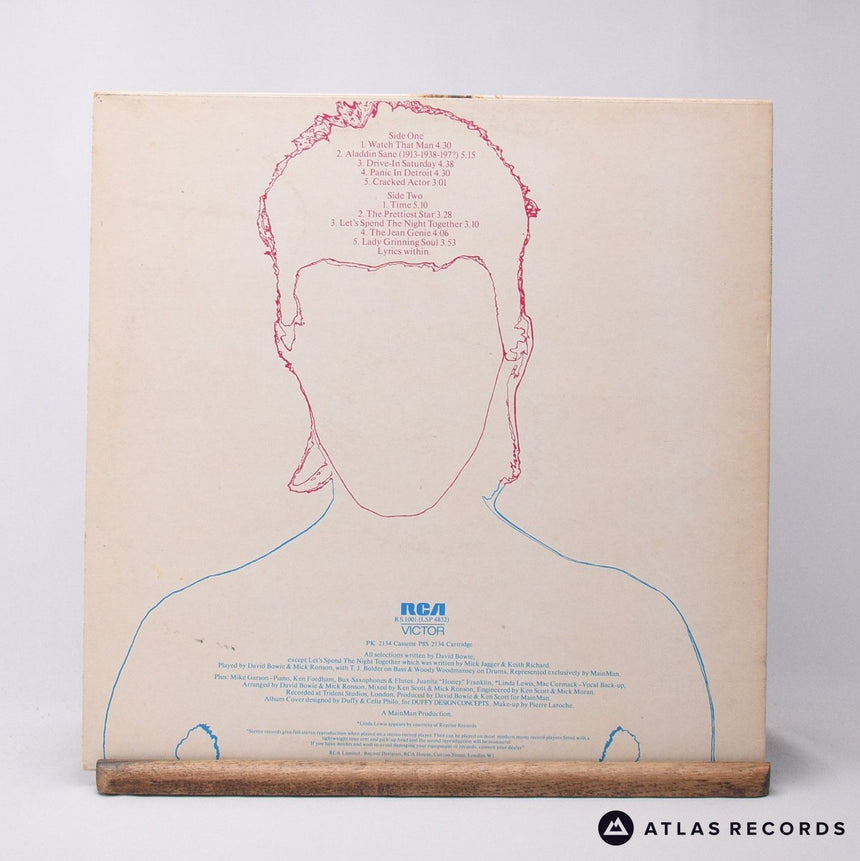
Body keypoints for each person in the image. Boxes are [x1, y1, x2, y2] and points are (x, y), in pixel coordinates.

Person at [103, 99, 714, 764]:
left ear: (514, 343)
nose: (393, 373)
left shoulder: (634, 638)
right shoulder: (187, 640)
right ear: (289, 341)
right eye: (347, 321)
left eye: (440, 320)